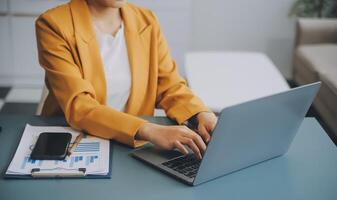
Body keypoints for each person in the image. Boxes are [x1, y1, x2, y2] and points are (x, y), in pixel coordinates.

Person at [36, 0, 217, 160]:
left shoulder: (147, 20)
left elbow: (169, 85)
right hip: (75, 138)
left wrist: (199, 113)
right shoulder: (53, 24)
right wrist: (150, 130)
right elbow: (79, 106)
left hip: (130, 147)